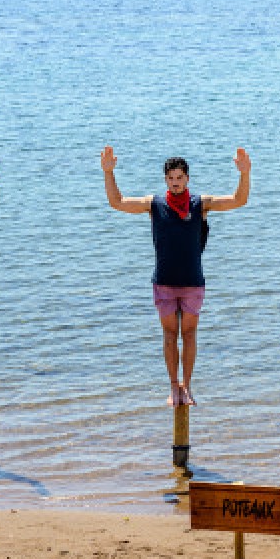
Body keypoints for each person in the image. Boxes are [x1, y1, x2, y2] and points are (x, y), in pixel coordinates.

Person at [101, 146, 251, 406]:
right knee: (170, 335)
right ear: (165, 180)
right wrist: (108, 172)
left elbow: (239, 200)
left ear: (187, 179)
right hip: (164, 282)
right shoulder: (154, 204)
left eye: (180, 178)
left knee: (190, 335)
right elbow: (117, 202)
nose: (175, 183)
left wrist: (245, 174)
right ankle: (174, 388)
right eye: (171, 178)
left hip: (193, 282)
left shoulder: (200, 203)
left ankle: (188, 386)